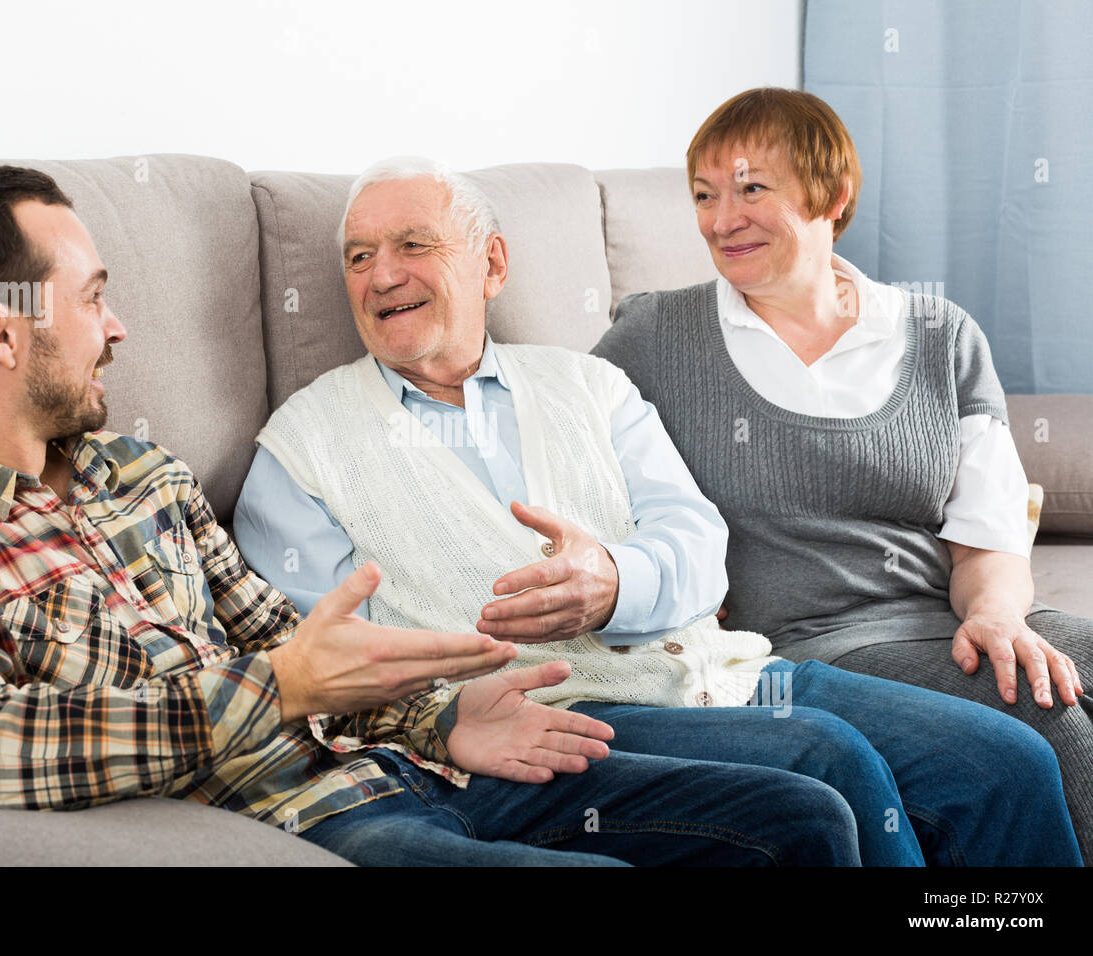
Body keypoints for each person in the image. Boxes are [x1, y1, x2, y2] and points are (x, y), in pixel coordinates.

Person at [0, 164, 871, 868]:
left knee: (802, 817)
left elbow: (294, 641)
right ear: (0, 334)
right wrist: (269, 691)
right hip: (310, 811)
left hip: (411, 759)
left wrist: (441, 714)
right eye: (92, 297)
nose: (119, 325)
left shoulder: (138, 471)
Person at [234, 156, 1081, 866]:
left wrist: (613, 581)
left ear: (491, 265)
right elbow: (322, 663)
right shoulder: (302, 448)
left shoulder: (589, 384)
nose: (382, 275)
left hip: (731, 672)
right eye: (357, 256)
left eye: (413, 245)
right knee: (828, 758)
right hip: (558, 712)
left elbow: (697, 543)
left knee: (1008, 763)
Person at [591, 87, 1093, 861]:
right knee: (1046, 716)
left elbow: (988, 533)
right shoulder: (657, 333)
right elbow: (565, 448)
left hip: (951, 616)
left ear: (833, 195)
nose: (722, 221)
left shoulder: (939, 334)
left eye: (752, 189)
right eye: (704, 196)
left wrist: (996, 616)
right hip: (815, 647)